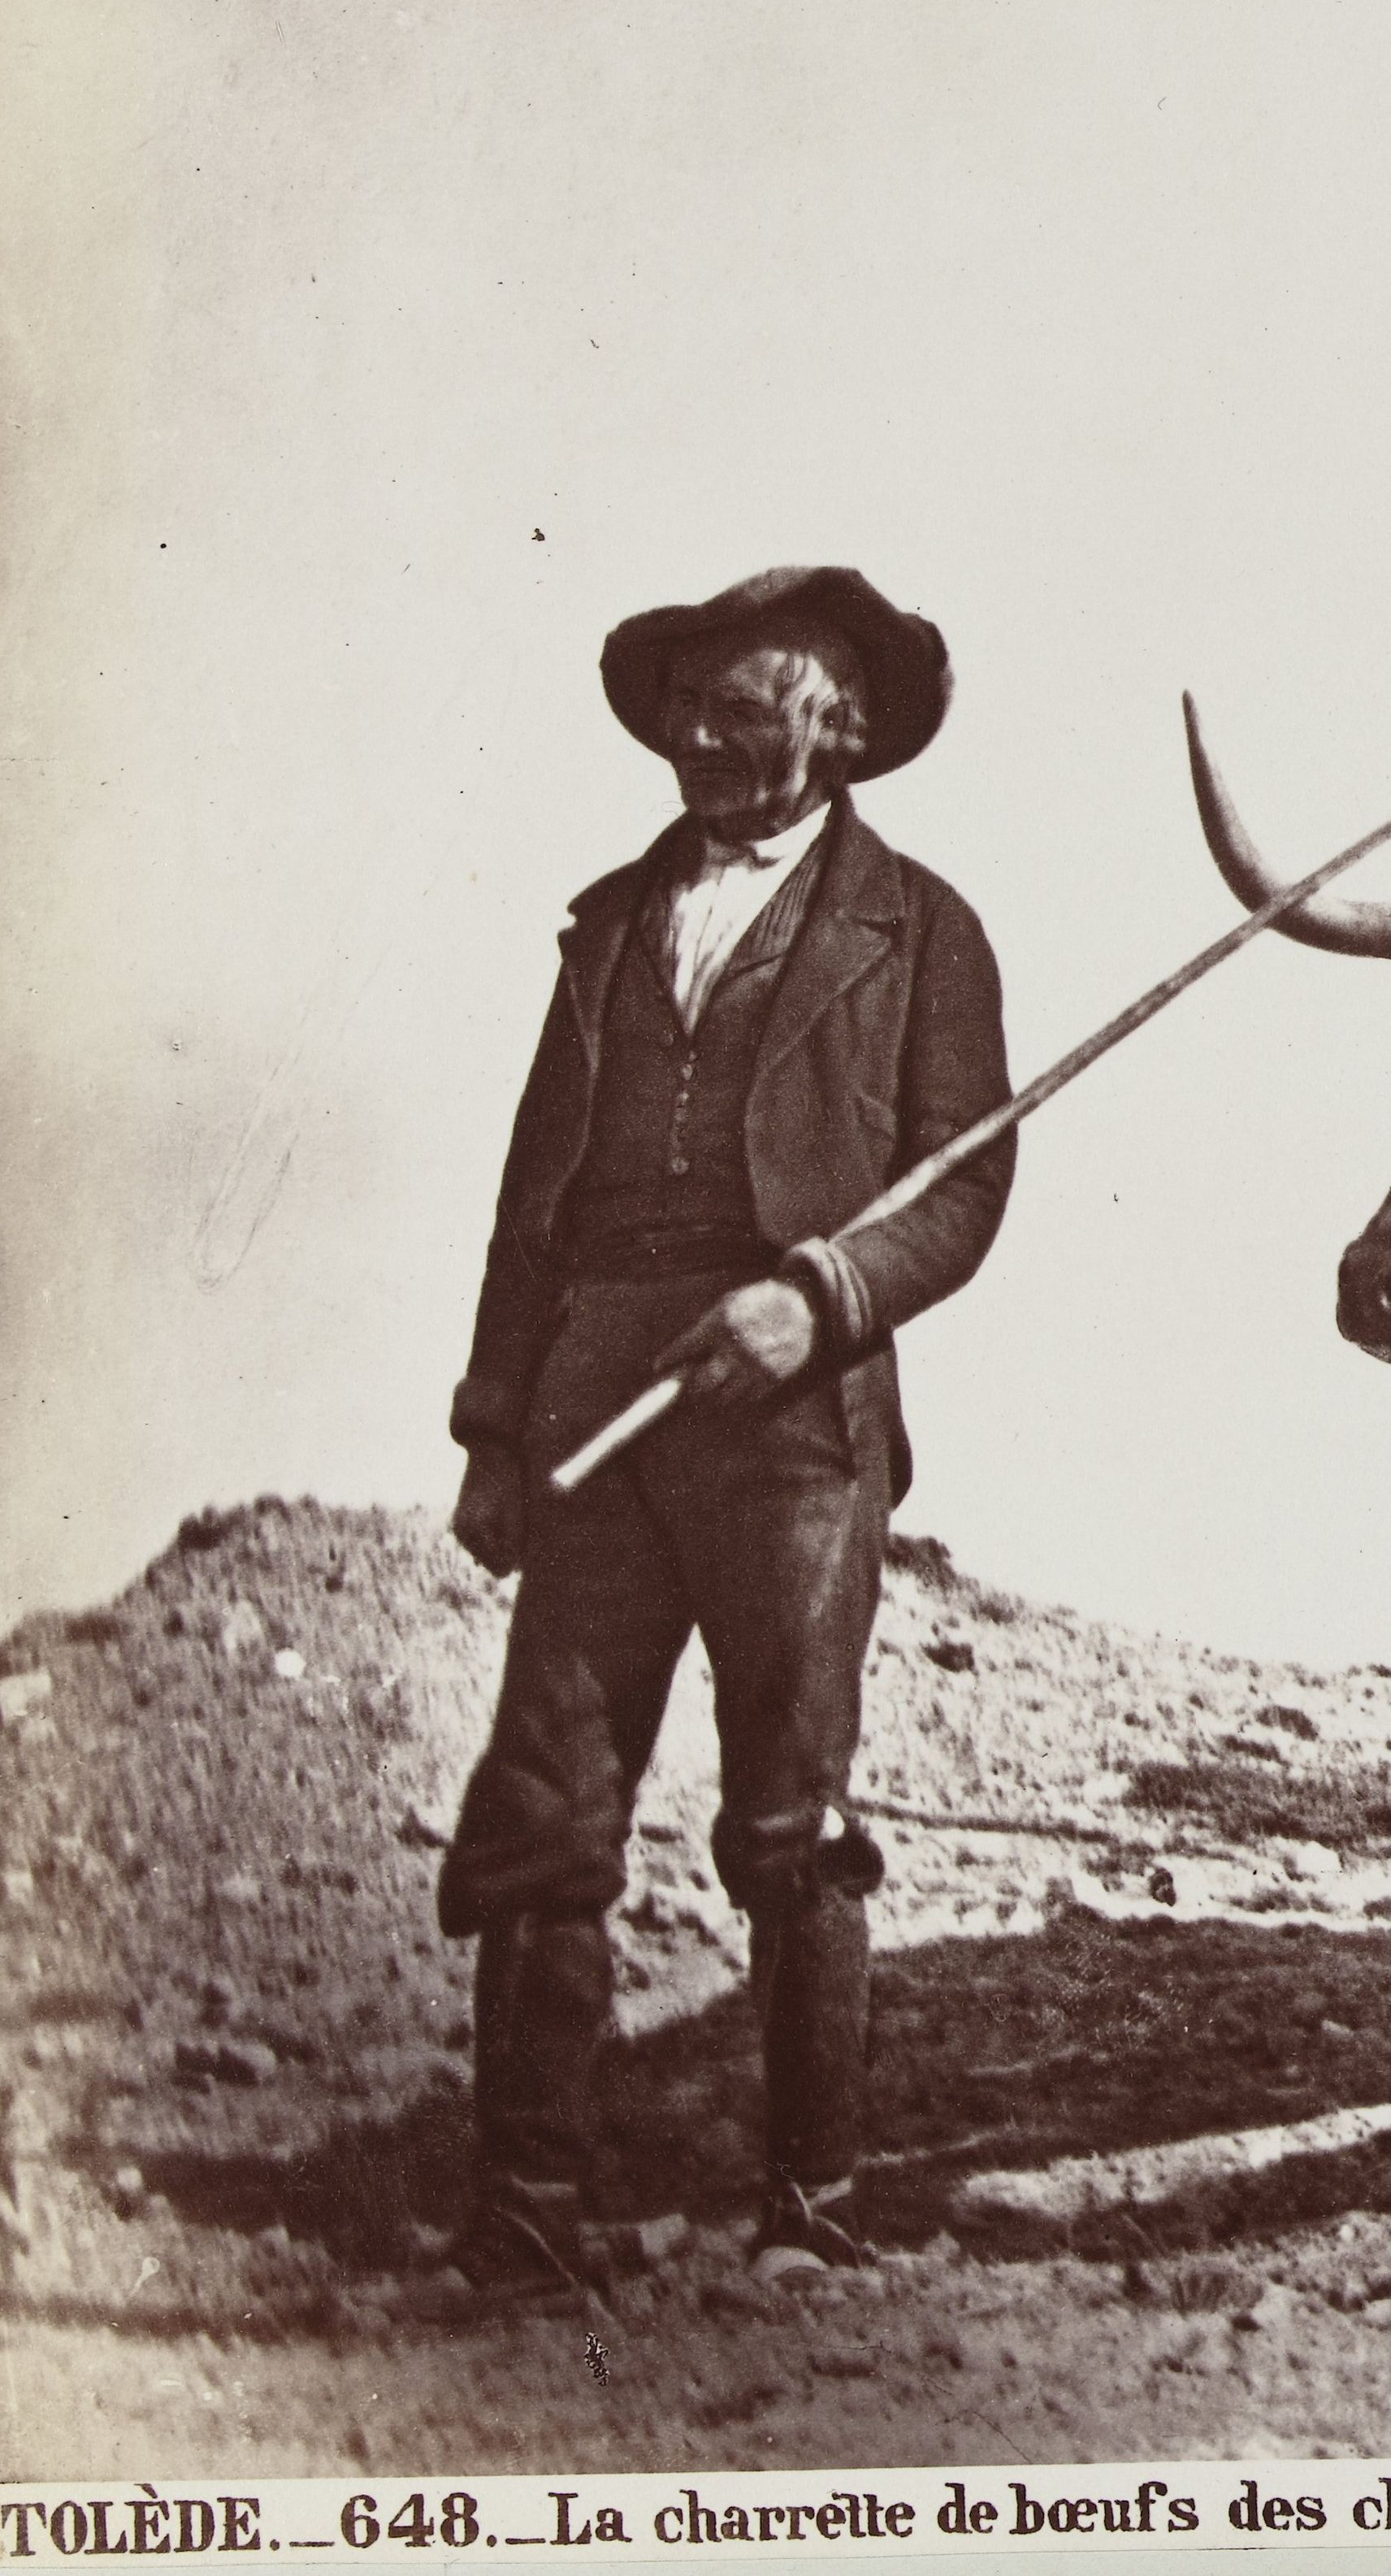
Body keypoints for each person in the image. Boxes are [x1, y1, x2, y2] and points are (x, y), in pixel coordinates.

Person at [434, 567, 1014, 2292]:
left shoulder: (921, 930)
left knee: (789, 1814)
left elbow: (965, 1185)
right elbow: (532, 1200)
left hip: (793, 1423)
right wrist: (491, 1428)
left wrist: (821, 1295)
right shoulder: (608, 923)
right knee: (543, 1806)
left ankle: (809, 2205)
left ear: (836, 732)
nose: (702, 732)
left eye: (745, 706)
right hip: (594, 1405)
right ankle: (529, 2214)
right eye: (690, 702)